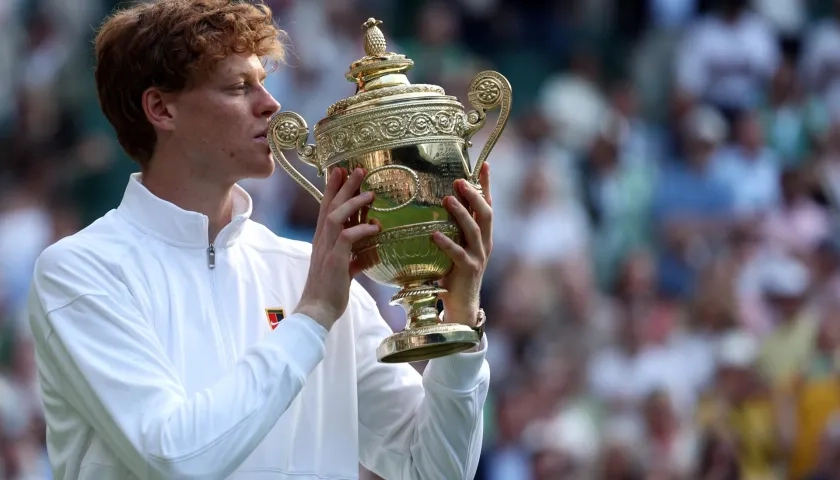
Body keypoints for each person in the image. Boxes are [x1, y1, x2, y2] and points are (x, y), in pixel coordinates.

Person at [25, 1, 493, 479]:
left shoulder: (308, 274)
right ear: (161, 108)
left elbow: (434, 468)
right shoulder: (80, 271)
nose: (270, 104)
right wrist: (310, 320)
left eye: (263, 82)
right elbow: (176, 458)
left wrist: (460, 326)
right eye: (237, 87)